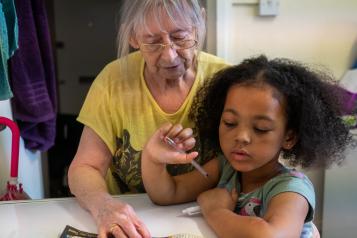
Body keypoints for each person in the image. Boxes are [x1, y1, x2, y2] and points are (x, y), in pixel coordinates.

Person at [142, 55, 353, 237]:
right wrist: (153, 158)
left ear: (289, 137)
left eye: (260, 128)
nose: (241, 137)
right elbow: (168, 193)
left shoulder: (291, 189)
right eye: (230, 123)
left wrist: (216, 211)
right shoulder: (225, 168)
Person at [67, 0, 229, 237]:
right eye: (152, 43)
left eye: (180, 37)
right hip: (131, 219)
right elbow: (84, 168)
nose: (169, 56)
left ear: (199, 23)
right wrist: (103, 206)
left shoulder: (224, 80)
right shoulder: (112, 81)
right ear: (133, 38)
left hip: (205, 217)